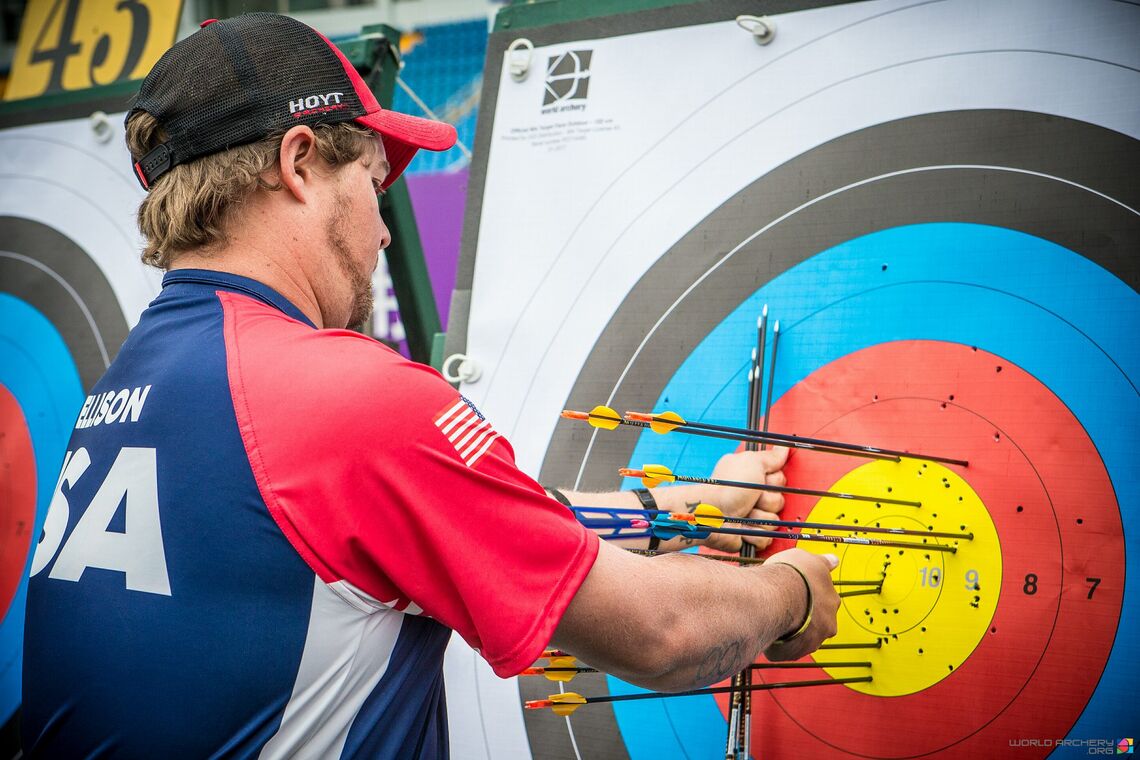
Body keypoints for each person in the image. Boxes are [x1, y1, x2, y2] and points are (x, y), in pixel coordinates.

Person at [20, 13, 839, 758]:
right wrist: (792, 592)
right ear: (299, 163)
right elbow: (662, 634)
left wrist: (687, 512)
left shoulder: (125, 385)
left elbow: (434, 522)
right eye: (373, 182)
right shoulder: (343, 397)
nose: (383, 229)